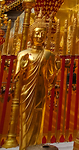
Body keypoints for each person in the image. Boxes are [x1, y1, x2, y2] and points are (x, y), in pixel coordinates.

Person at [15, 17, 59, 150]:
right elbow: (17, 77)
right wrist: (22, 67)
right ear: (31, 35)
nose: (40, 37)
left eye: (43, 34)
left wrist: (56, 70)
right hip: (26, 91)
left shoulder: (48, 55)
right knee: (25, 119)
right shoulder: (23, 54)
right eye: (37, 33)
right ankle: (24, 146)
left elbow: (52, 77)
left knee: (38, 118)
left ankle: (36, 146)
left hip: (41, 90)